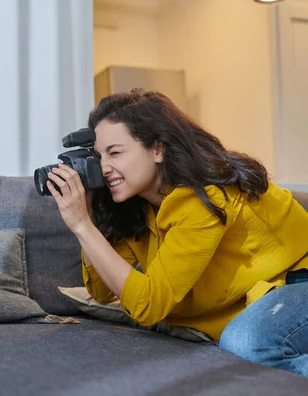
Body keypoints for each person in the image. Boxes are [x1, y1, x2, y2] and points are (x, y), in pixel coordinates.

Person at [46, 88, 308, 377]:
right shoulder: (137, 207)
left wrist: (82, 225)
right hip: (261, 295)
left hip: (298, 279)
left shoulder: (205, 197)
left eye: (116, 152)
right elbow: (102, 291)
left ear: (157, 149)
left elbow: (148, 305)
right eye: (98, 157)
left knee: (248, 342)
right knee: (242, 338)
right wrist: (90, 215)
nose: (104, 168)